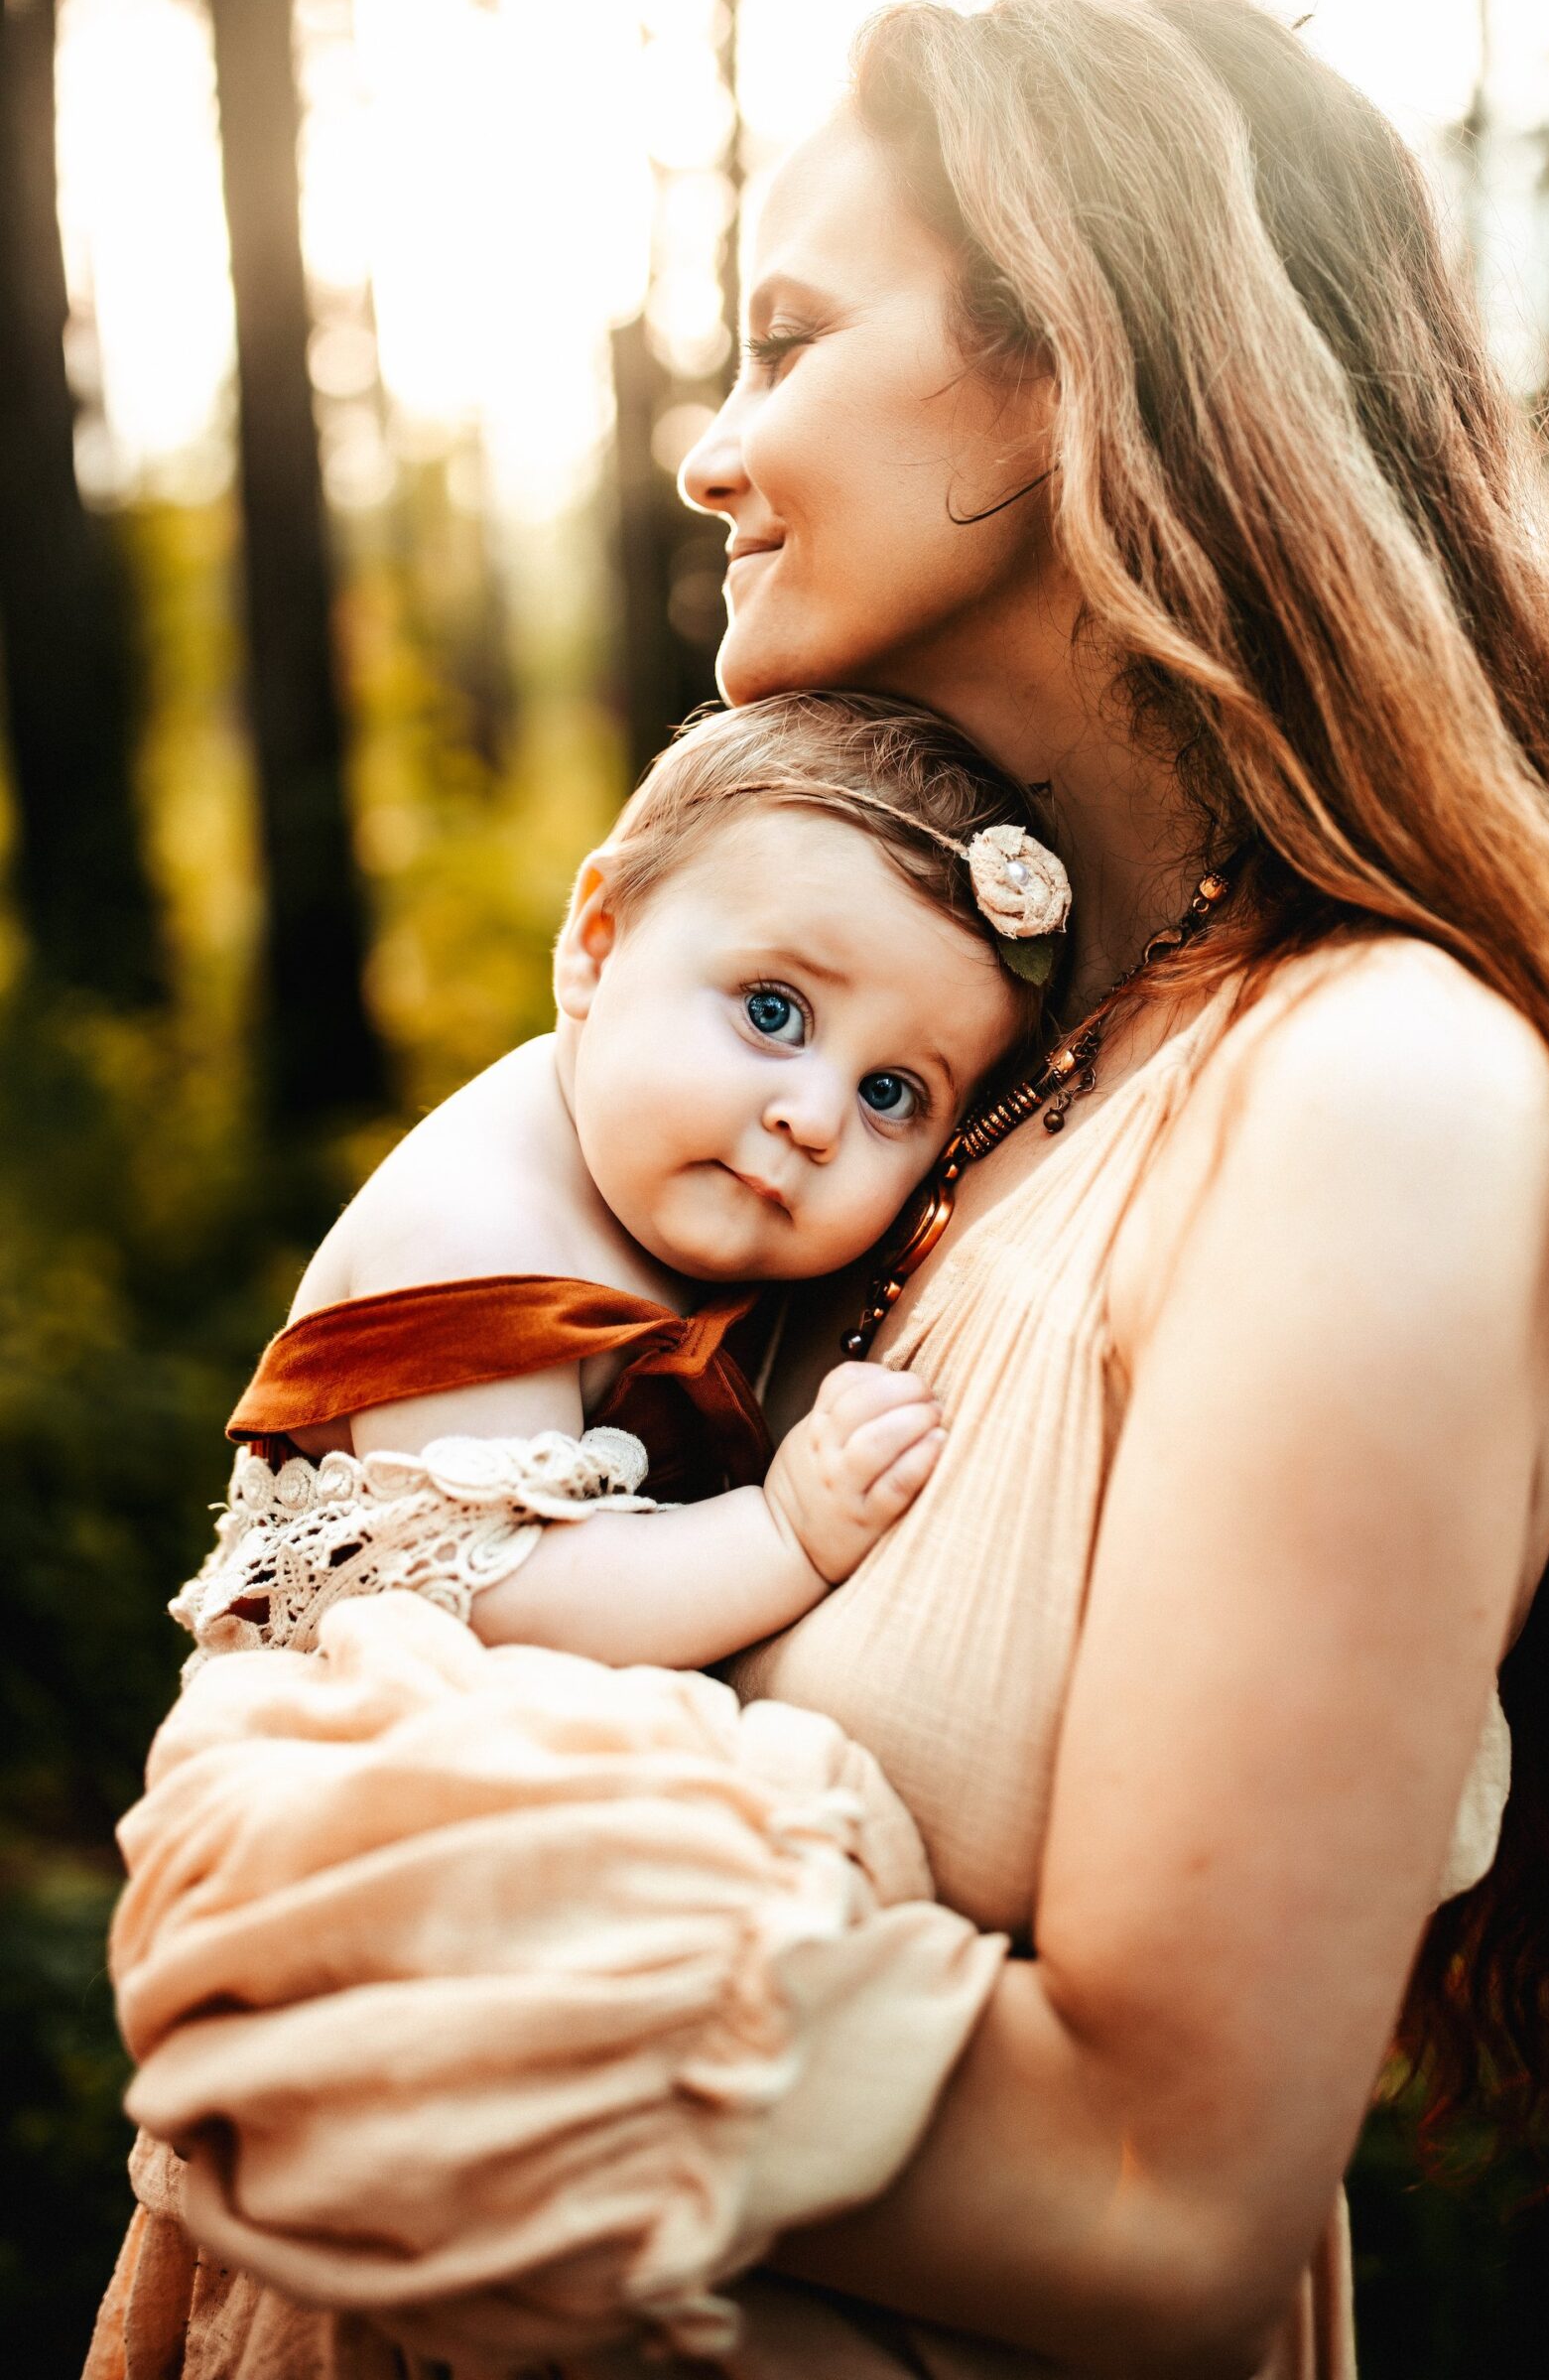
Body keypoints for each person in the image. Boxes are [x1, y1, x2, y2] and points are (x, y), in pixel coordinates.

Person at [91, 0, 1549, 2380]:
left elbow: (1161, 2206)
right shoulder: (962, 1077)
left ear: (1079, 363)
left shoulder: (1367, 1087)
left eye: (784, 335)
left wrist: (386, 1942)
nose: (711, 445)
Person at [168, 692, 1062, 1675]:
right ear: (597, 945)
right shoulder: (472, 1231)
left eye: (890, 1092)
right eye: (774, 1010)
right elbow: (494, 1609)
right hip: (366, 1741)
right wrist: (788, 1533)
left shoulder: (653, 1170)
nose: (811, 1118)